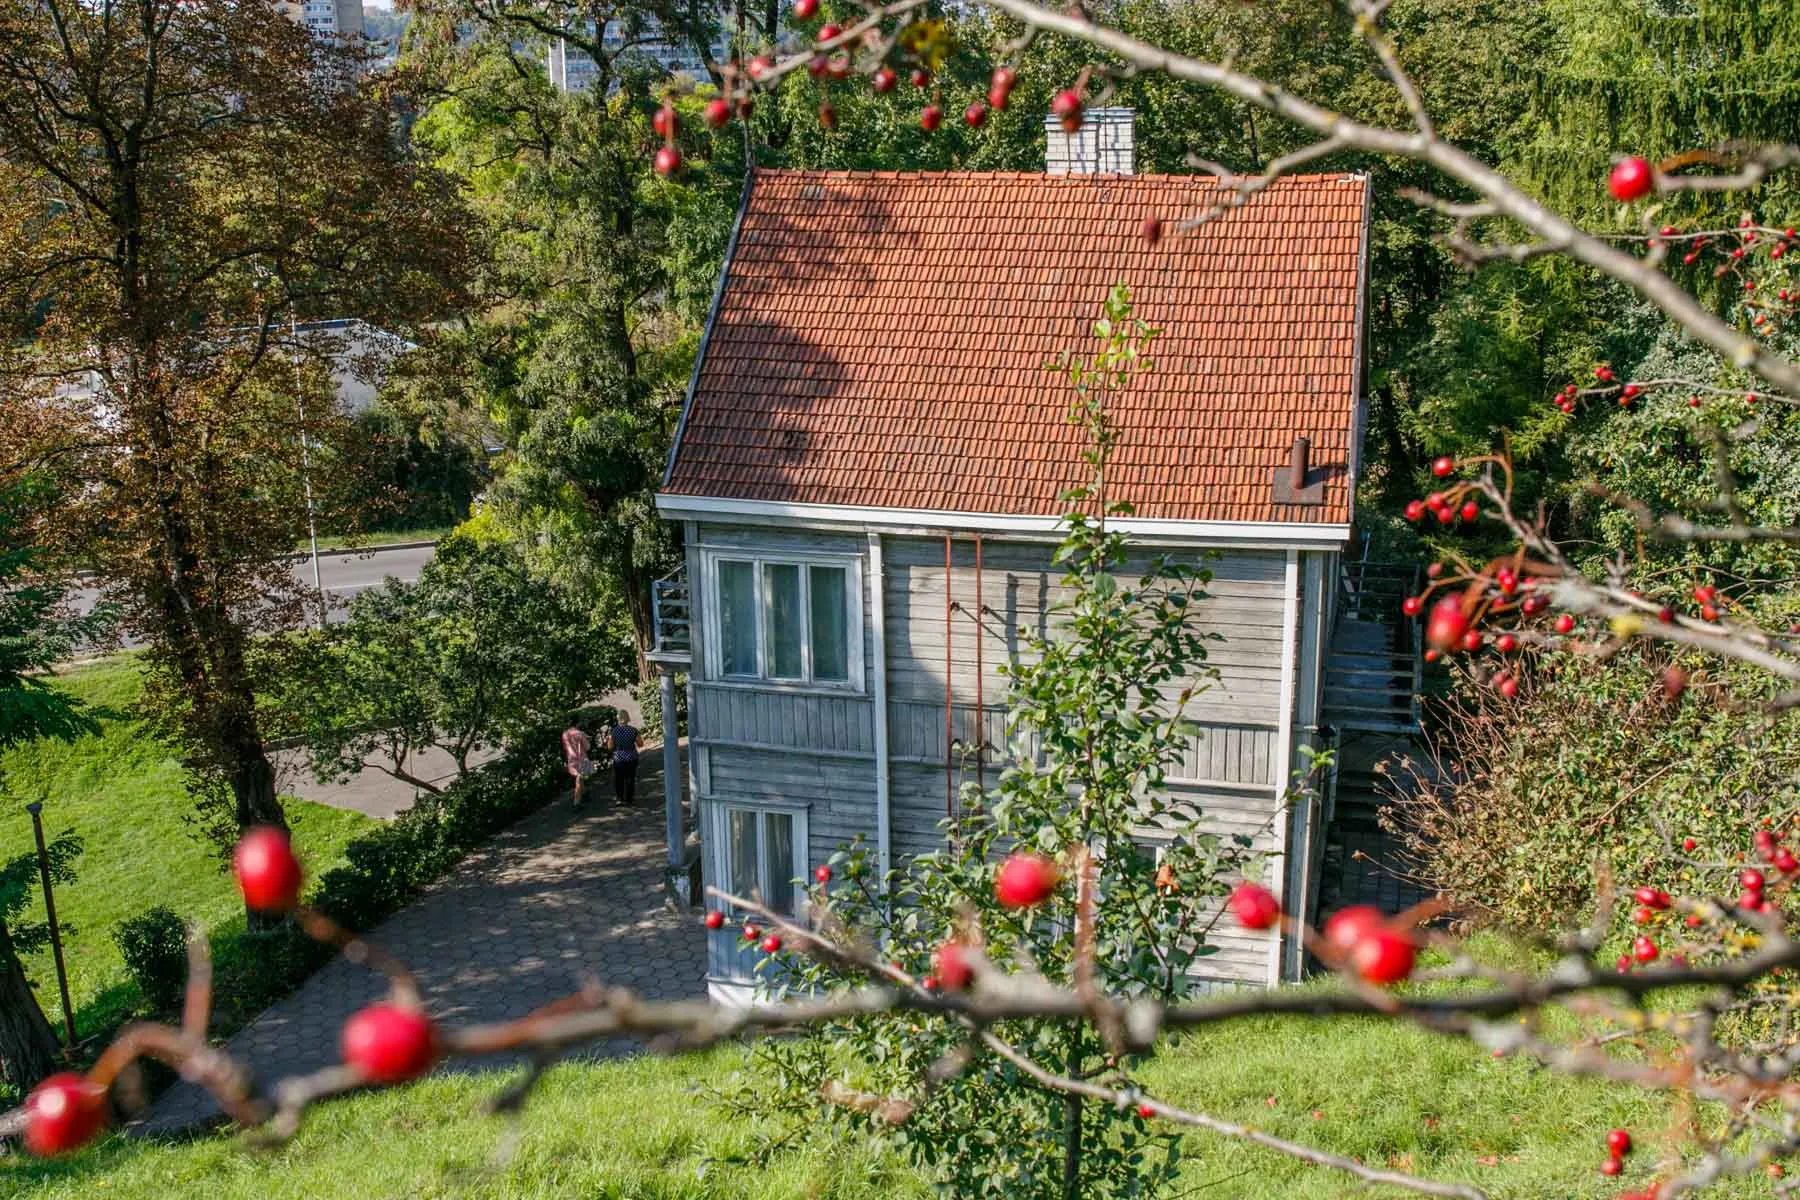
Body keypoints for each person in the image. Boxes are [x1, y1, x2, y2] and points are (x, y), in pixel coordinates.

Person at [604, 710, 640, 806]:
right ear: (628, 718)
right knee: (630, 779)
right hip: (631, 757)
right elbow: (640, 743)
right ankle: (629, 799)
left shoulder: (613, 731)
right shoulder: (633, 730)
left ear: (618, 719)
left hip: (618, 758)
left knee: (619, 779)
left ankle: (620, 799)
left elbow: (610, 746)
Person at [561, 721, 594, 808]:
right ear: (577, 724)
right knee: (579, 779)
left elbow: (565, 747)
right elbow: (587, 747)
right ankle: (576, 802)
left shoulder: (565, 734)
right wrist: (587, 739)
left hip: (571, 760)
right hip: (581, 760)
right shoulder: (580, 733)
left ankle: (584, 793)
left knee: (579, 778)